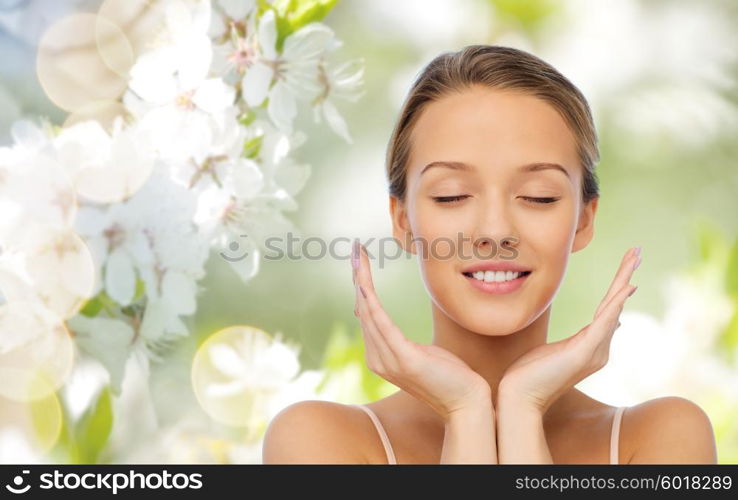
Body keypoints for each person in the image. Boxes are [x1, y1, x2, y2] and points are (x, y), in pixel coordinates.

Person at [262, 45, 718, 464]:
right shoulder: (319, 441)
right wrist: (466, 411)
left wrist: (523, 408)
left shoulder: (662, 438)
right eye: (452, 196)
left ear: (583, 219)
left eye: (539, 197)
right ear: (402, 221)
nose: (496, 232)